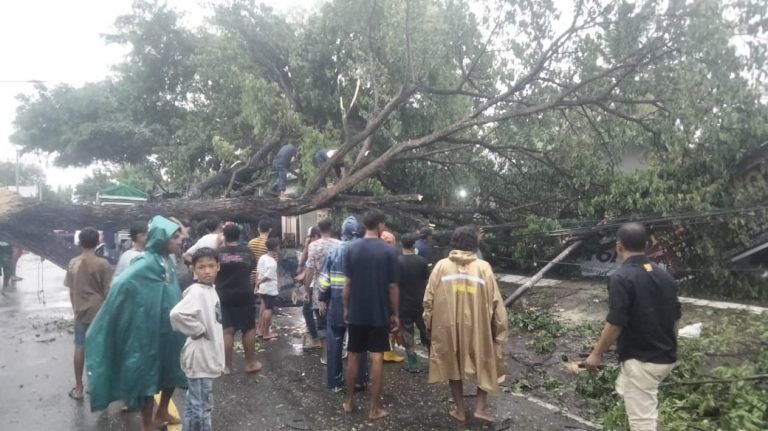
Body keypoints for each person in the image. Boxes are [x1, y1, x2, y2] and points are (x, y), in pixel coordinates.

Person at [86, 216, 187, 431]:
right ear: (162, 239)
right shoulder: (145, 261)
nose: (180, 241)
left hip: (170, 328)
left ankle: (162, 412)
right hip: (147, 329)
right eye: (175, 237)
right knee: (148, 377)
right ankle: (147, 424)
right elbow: (121, 284)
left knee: (172, 370)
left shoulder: (167, 260)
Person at [584, 223, 681, 431]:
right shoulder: (664, 275)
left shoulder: (621, 277)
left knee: (642, 423)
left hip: (643, 360)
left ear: (618, 246)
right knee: (626, 388)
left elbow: (615, 323)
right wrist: (672, 347)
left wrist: (596, 354)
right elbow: (675, 318)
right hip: (665, 356)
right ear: (646, 245)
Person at [423, 226, 508, 423]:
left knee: (453, 365)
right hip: (478, 329)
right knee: (485, 363)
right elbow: (496, 301)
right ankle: (480, 408)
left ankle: (459, 410)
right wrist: (500, 330)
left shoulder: (441, 267)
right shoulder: (483, 267)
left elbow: (428, 299)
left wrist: (429, 324)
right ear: (474, 243)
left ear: (454, 242)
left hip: (447, 328)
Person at [342, 209, 399, 420]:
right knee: (376, 357)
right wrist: (396, 314)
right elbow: (393, 287)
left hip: (356, 311)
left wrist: (346, 308)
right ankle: (374, 408)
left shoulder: (351, 248)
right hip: (379, 312)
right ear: (379, 225)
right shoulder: (389, 251)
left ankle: (348, 402)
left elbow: (347, 283)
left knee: (354, 355)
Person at [170, 247, 225, 431]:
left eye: (211, 266)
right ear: (194, 269)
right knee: (203, 407)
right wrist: (197, 329)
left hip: (205, 357)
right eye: (201, 267)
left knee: (194, 405)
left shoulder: (210, 289)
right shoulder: (197, 292)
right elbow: (176, 314)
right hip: (200, 359)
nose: (207, 271)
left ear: (218, 266)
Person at [317, 216, 368, 392]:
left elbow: (324, 282)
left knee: (335, 344)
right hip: (359, 307)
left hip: (336, 306)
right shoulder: (364, 251)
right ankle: (360, 381)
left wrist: (322, 299)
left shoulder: (334, 251)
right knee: (359, 345)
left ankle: (335, 382)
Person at [64, 228, 113, 401]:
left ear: (80, 242)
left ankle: (78, 388)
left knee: (79, 347)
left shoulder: (73, 263)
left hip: (81, 311)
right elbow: (107, 290)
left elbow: (71, 290)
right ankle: (98, 386)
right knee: (100, 350)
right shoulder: (103, 264)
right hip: (99, 310)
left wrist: (75, 309)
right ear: (97, 242)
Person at [216, 224, 261, 374]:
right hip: (244, 293)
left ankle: (227, 366)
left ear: (224, 236)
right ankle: (250, 363)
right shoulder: (247, 252)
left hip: (223, 294)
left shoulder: (218, 253)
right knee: (248, 328)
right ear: (239, 235)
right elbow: (251, 269)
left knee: (227, 331)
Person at [304, 218, 340, 356]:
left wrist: (307, 289)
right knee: (337, 319)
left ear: (319, 229)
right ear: (331, 228)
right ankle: (337, 352)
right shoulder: (340, 244)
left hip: (319, 286)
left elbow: (310, 269)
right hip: (337, 284)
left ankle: (326, 355)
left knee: (321, 320)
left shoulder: (314, 246)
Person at [397, 233, 431, 373]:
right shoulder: (422, 262)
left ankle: (413, 363)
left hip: (403, 304)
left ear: (401, 244)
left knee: (408, 334)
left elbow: (394, 285)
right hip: (420, 303)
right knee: (426, 331)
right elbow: (427, 283)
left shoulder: (396, 262)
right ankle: (433, 361)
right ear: (414, 245)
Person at [379, 230, 404, 364]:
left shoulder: (376, 253)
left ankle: (385, 351)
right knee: (391, 323)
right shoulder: (393, 255)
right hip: (389, 293)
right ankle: (388, 353)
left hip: (378, 295)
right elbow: (395, 282)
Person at [256, 238, 281, 341]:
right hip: (269, 288)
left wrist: (257, 285)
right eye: (278, 246)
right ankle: (266, 333)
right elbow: (268, 276)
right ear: (275, 248)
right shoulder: (272, 262)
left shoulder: (262, 257)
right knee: (268, 309)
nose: (279, 248)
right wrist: (259, 282)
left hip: (262, 289)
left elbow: (258, 271)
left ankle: (260, 330)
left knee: (264, 307)